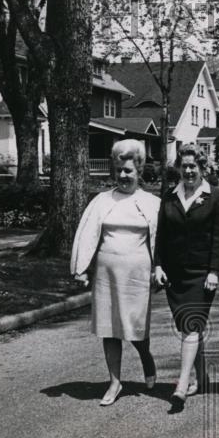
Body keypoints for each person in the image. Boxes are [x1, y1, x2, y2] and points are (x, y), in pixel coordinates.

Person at [71, 139, 161, 406]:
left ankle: (146, 357)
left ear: (139, 170)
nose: (123, 175)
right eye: (119, 170)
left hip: (137, 275)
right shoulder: (101, 201)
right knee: (110, 328)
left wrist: (159, 269)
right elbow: (88, 236)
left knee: (134, 327)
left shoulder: (152, 203)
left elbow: (160, 240)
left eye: (129, 171)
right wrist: (81, 268)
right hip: (106, 273)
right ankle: (115, 381)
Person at [154, 145, 219, 412]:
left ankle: (181, 387)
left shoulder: (216, 197)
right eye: (184, 166)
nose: (187, 171)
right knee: (191, 329)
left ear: (202, 169)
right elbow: (161, 235)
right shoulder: (169, 197)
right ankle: (203, 378)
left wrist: (214, 271)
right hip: (175, 275)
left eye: (192, 167)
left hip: (201, 275)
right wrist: (158, 265)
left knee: (190, 326)